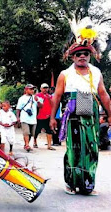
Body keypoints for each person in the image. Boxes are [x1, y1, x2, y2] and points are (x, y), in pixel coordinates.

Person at [50, 17, 111, 195]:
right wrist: (53, 118)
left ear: (89, 55)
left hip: (90, 115)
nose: (82, 56)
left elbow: (104, 95)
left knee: (92, 148)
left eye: (85, 53)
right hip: (72, 116)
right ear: (73, 56)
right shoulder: (65, 74)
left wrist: (110, 113)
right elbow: (57, 96)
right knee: (74, 149)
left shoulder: (96, 72)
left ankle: (87, 185)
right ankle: (71, 183)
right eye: (78, 54)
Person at [16, 84, 42, 152]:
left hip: (33, 119)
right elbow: (18, 109)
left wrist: (38, 101)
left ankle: (26, 144)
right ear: (26, 90)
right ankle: (27, 145)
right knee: (26, 132)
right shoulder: (22, 98)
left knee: (31, 133)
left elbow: (41, 106)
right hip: (24, 118)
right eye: (30, 89)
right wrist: (18, 117)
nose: (32, 90)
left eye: (33, 89)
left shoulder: (35, 97)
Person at [34, 83, 55, 150]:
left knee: (49, 130)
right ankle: (35, 142)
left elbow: (53, 105)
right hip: (39, 116)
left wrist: (49, 99)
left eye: (46, 88)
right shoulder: (37, 96)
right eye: (44, 88)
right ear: (41, 88)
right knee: (37, 130)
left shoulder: (50, 96)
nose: (45, 89)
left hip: (48, 116)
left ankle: (49, 145)